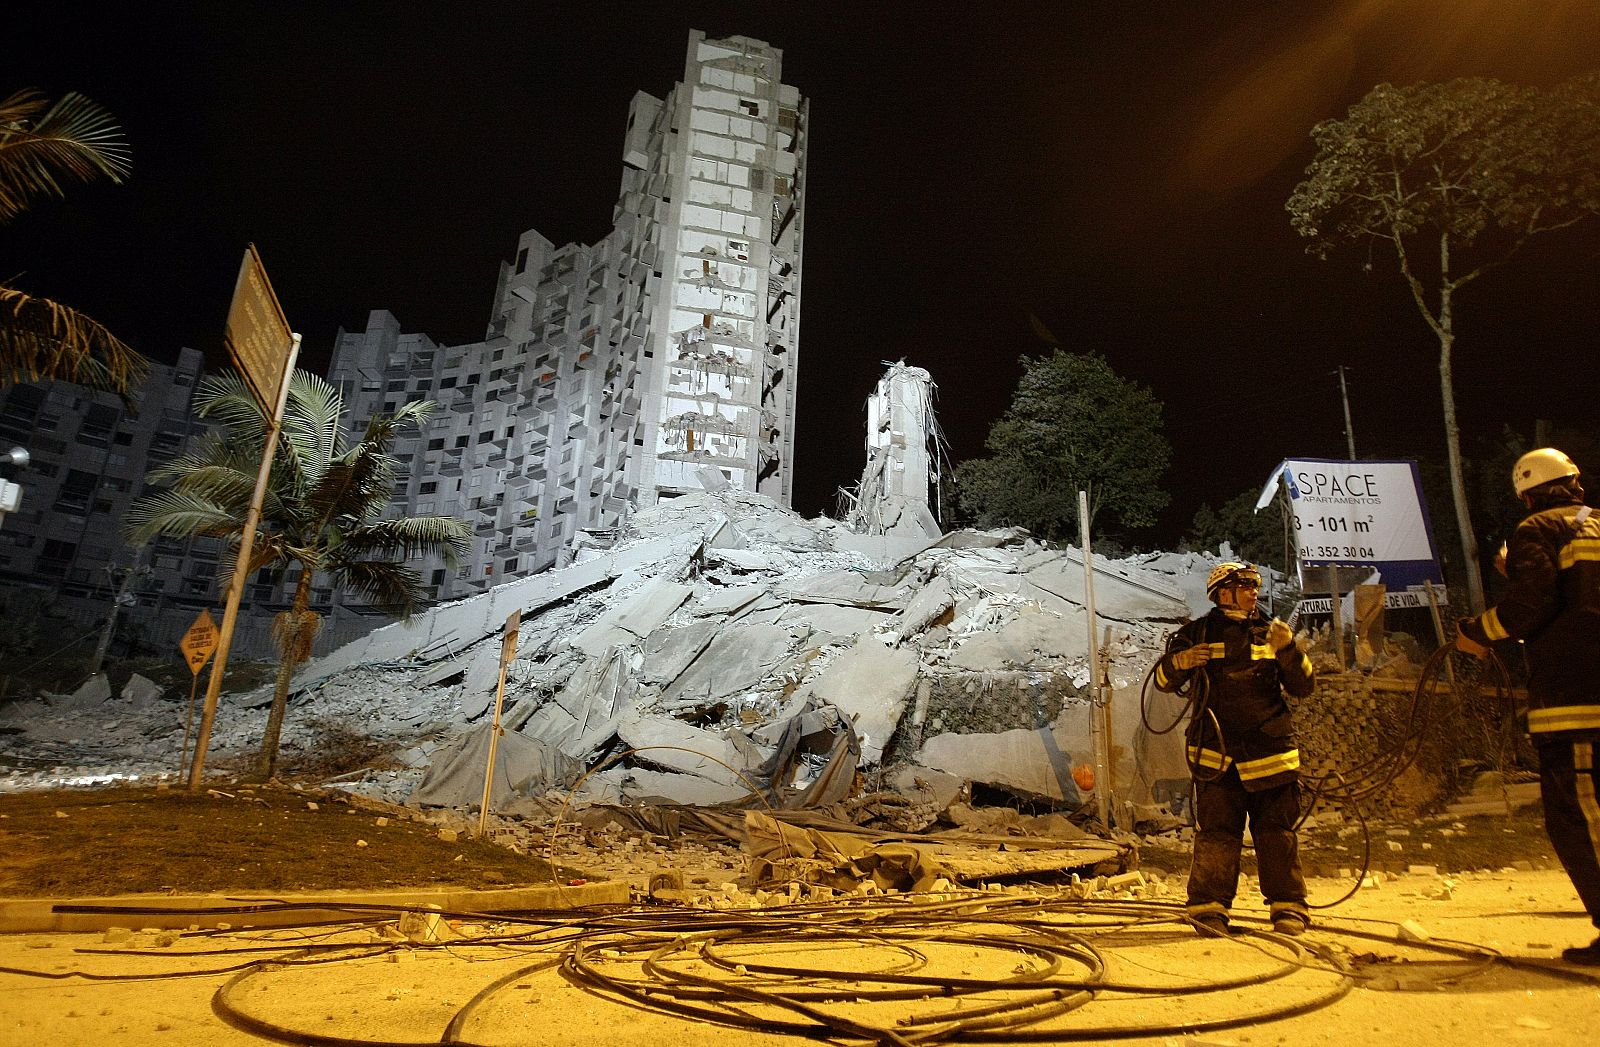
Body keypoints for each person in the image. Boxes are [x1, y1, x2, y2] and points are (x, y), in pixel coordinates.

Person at [1456, 447, 1600, 967]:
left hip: (1576, 699)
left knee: (1581, 815)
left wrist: (1479, 633)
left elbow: (1534, 603)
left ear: (1527, 493)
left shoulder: (1537, 529)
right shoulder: (1596, 525)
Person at [1153, 561, 1316, 937]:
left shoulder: (1273, 633)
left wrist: (1288, 649)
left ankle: (1288, 908)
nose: (1253, 592)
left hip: (1270, 753)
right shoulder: (1196, 634)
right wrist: (1178, 663)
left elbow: (1304, 686)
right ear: (1222, 592)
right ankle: (1209, 910)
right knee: (1216, 834)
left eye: (1255, 586)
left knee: (1277, 833)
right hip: (1218, 756)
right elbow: (1161, 681)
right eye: (1244, 585)